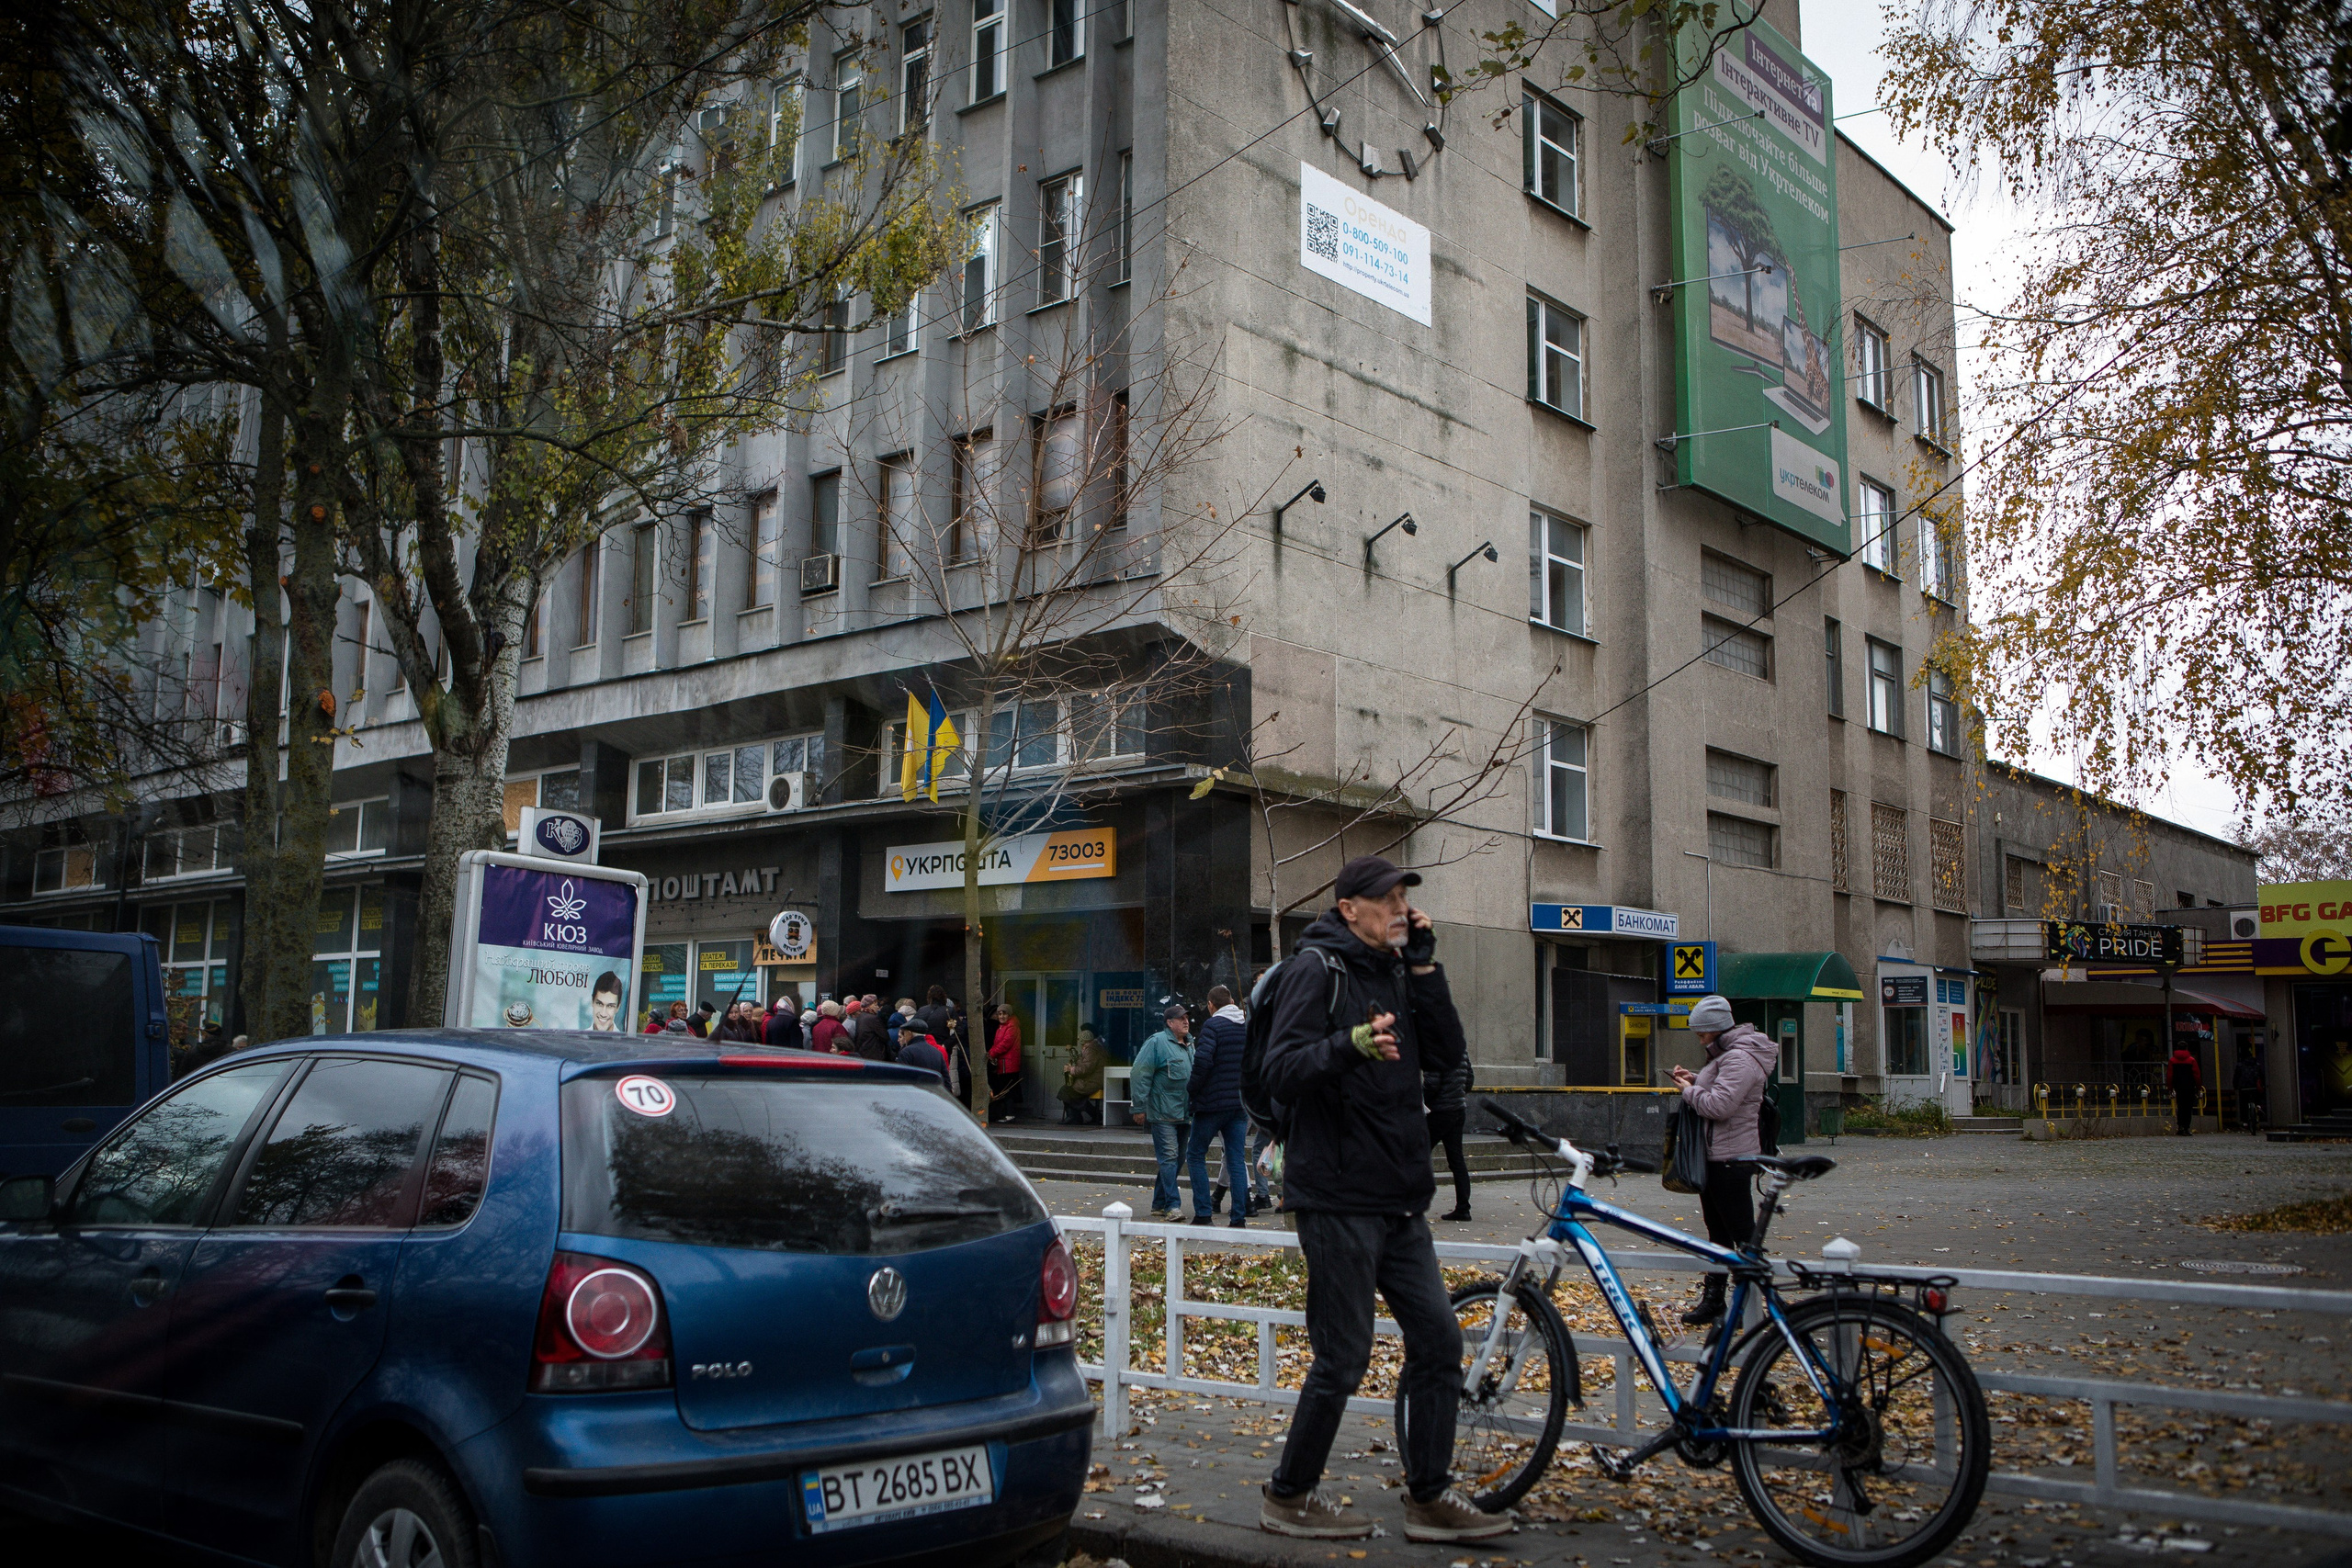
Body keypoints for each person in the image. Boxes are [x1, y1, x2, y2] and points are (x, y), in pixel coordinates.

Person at [1258, 855, 1499, 1544]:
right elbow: (1281, 1068)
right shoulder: (1317, 969)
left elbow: (1448, 1053)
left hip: (1399, 1197)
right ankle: (1288, 1494)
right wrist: (1349, 1044)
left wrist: (1425, 967)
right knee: (1344, 1355)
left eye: (1404, 896)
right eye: (1386, 897)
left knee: (1439, 1339)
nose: (1400, 906)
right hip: (1336, 1197)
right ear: (1349, 909)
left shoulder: (1395, 967)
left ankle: (1429, 1497)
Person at [1669, 994, 1776, 1329]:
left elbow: (1719, 1106)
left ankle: (1763, 1302)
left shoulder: (1740, 1059)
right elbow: (1719, 1086)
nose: (1699, 1038)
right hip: (1716, 1157)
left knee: (1742, 1234)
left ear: (1716, 1029)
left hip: (1731, 1160)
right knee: (1718, 1233)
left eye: (1702, 1033)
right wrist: (1696, 1077)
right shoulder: (1728, 1056)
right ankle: (1715, 1301)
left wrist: (1688, 1091)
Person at [1187, 986, 1251, 1228]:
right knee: (1235, 1158)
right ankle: (1238, 1218)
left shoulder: (1212, 1026)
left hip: (1212, 1104)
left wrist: (1192, 1088)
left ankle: (1204, 1214)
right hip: (1239, 1104)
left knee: (1195, 1154)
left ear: (1211, 1005)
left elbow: (1203, 1060)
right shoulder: (1245, 1026)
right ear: (1232, 1002)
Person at [1131, 1003, 1195, 1218]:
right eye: (1181, 1018)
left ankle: (1158, 1202)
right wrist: (1139, 1107)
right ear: (1170, 1023)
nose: (1186, 1021)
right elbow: (1140, 1074)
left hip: (1184, 1113)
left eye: (1187, 1017)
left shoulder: (1189, 1044)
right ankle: (1172, 1206)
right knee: (1169, 1157)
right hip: (1162, 1113)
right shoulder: (1157, 1042)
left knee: (1178, 1158)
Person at [1424, 1036, 1475, 1222]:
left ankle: (1410, 1205)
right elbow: (1469, 1078)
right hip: (1458, 1110)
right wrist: (1457, 1095)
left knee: (1417, 1154)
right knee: (1457, 1160)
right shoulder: (1460, 1048)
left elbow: (1431, 1083)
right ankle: (1463, 1208)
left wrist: (1421, 1102)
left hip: (1439, 1111)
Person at [1059, 1024, 1107, 1123]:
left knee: (1066, 1090)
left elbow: (1085, 1069)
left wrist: (1071, 1069)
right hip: (1092, 1079)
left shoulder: (1091, 1050)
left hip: (1091, 1081)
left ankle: (1076, 1116)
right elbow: (1085, 1065)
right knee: (1070, 1092)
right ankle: (1079, 1116)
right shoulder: (1093, 1048)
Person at [987, 1002, 1025, 1122]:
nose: (1001, 1016)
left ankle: (1010, 1114)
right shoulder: (1002, 1026)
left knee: (1008, 1089)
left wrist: (991, 1053)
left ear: (1009, 1014)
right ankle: (1006, 1114)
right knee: (1004, 1088)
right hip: (1003, 1063)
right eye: (999, 1014)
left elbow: (1005, 1044)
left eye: (1004, 1013)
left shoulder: (1012, 1026)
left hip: (1008, 1064)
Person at [896, 1018, 953, 1087]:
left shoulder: (906, 1053)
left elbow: (902, 1080)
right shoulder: (937, 1053)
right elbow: (946, 1081)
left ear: (909, 1034)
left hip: (916, 1094)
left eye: (904, 1034)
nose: (904, 1037)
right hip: (934, 1094)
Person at [2168, 1040, 2202, 1135]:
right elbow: (2196, 1075)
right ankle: (2187, 1127)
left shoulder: (2172, 1061)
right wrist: (2199, 1087)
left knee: (2180, 1106)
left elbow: (2170, 1075)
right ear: (2187, 1048)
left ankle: (2180, 1127)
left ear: (2177, 1048)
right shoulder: (2191, 1060)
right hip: (2190, 1086)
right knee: (2188, 1107)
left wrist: (2170, 1088)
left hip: (2178, 1087)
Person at [2232, 1045, 2264, 1134]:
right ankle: (2258, 1105)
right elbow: (2261, 1076)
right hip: (2255, 1087)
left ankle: (2245, 1121)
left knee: (2244, 1103)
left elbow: (2236, 1077)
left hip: (2244, 1087)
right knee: (2256, 1096)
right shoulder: (2257, 1065)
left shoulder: (2240, 1065)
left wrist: (2235, 1086)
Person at [851, 995, 891, 1060]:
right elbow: (885, 1036)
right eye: (875, 1005)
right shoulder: (873, 1018)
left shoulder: (860, 1016)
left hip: (862, 1052)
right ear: (869, 1005)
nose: (877, 1007)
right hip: (873, 1053)